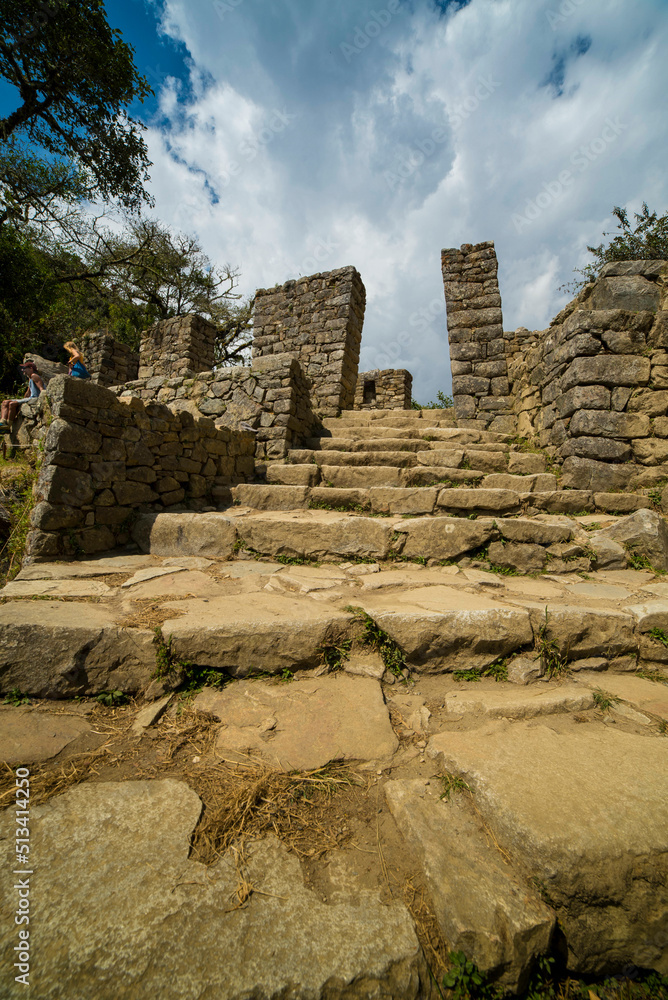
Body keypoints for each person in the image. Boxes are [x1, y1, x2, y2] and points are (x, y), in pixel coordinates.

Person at [0, 362, 45, 432]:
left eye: (24, 368)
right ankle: (2, 422)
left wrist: (43, 400)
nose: (23, 370)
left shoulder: (34, 376)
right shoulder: (30, 378)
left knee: (12, 404)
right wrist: (22, 399)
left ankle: (8, 425)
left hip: (34, 398)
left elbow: (41, 389)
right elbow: (28, 392)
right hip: (30, 398)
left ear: (31, 368)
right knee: (5, 402)